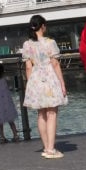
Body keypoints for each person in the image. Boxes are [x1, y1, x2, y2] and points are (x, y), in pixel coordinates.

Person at [22, 13, 68, 158]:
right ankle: (50, 149)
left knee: (41, 114)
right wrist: (62, 83)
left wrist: (30, 85)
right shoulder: (50, 42)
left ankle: (46, 146)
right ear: (43, 26)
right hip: (50, 79)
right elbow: (55, 63)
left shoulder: (27, 44)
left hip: (35, 79)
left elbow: (28, 67)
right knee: (52, 113)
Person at [0, 61, 21, 142]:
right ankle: (15, 135)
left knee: (0, 122)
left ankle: (2, 137)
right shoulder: (4, 80)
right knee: (11, 121)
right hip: (6, 103)